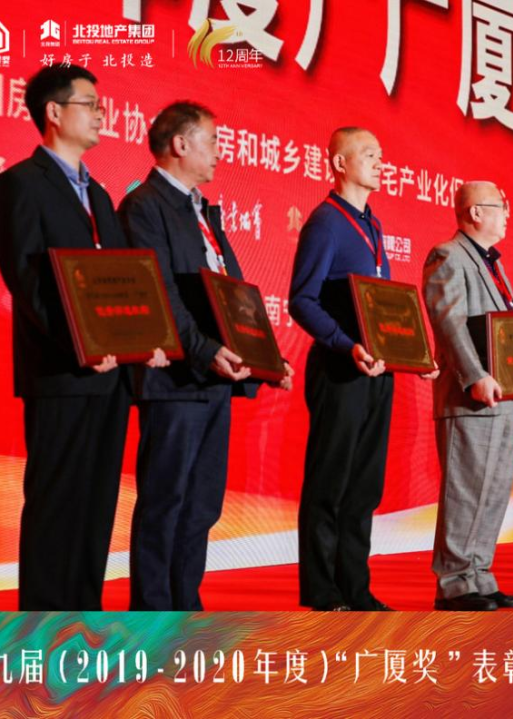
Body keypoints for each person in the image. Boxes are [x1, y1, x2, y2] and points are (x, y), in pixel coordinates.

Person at [0, 64, 166, 610]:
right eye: (90, 104)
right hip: (63, 372)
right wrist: (81, 346)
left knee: (96, 505)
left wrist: (144, 339)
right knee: (56, 504)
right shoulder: (20, 183)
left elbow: (121, 280)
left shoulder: (102, 196)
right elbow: (26, 280)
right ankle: (42, 631)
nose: (101, 114)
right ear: (54, 112)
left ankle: (84, 621)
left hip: (112, 377)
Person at [119, 101, 292, 610]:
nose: (220, 152)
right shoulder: (144, 206)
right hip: (176, 380)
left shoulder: (202, 211)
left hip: (213, 379)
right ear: (180, 144)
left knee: (201, 504)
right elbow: (160, 293)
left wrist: (266, 357)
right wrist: (204, 349)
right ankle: (153, 616)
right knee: (165, 501)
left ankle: (185, 608)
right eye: (213, 141)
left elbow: (234, 297)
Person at [289, 127, 437, 611]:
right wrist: (345, 344)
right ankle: (323, 591)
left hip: (379, 373)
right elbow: (302, 301)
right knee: (329, 482)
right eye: (370, 155)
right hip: (341, 371)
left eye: (381, 155)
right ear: (339, 163)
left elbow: (381, 307)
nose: (380, 163)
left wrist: (413, 354)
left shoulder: (372, 225)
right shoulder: (325, 223)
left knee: (364, 485)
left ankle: (355, 587)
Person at [423, 181, 513, 611]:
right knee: (466, 491)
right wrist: (474, 376)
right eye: (500, 207)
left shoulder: (493, 264)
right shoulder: (448, 255)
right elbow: (449, 321)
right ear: (474, 213)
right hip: (471, 398)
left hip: (505, 399)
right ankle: (454, 582)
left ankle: (480, 576)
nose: (507, 215)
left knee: (493, 492)